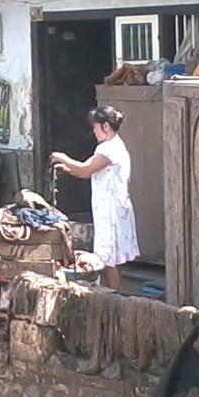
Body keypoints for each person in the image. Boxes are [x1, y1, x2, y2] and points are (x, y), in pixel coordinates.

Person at [50, 104, 140, 289]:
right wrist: (68, 169)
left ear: (105, 126)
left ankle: (114, 300)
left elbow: (85, 168)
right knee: (111, 260)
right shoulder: (115, 146)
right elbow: (86, 173)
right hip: (113, 208)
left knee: (109, 261)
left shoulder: (107, 149)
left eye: (95, 127)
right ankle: (111, 294)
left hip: (111, 211)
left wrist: (62, 157)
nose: (94, 131)